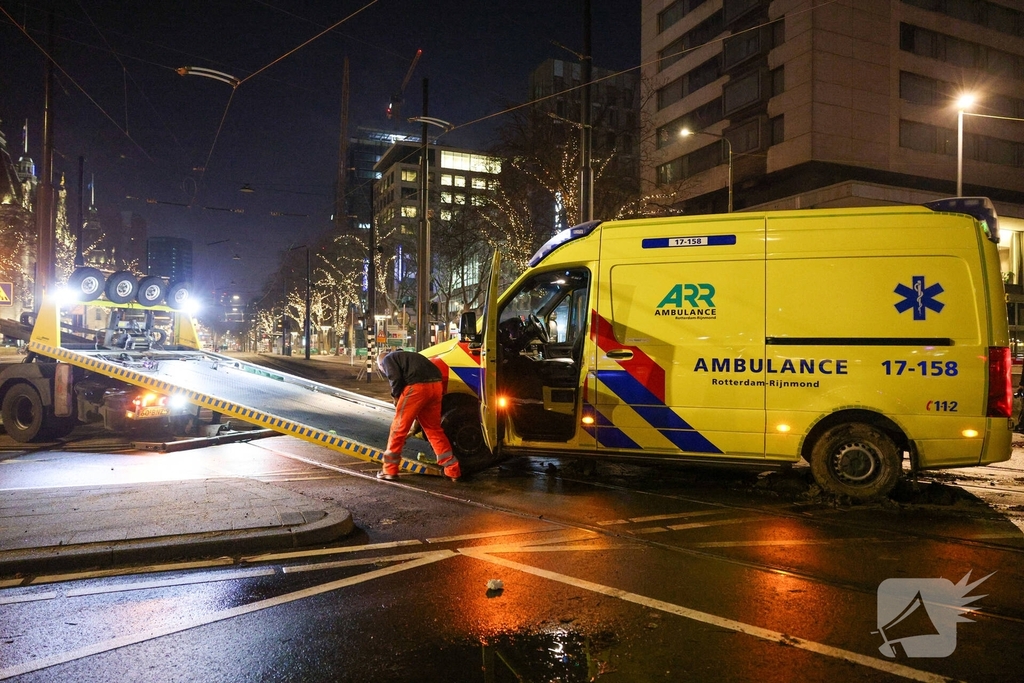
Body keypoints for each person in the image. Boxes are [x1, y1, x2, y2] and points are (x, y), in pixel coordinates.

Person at [376, 350, 461, 481]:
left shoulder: (387, 359)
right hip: (436, 387)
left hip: (417, 388)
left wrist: (396, 397)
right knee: (433, 429)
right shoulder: (407, 357)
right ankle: (452, 470)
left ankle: (389, 470)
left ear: (381, 365)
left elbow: (395, 378)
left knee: (398, 428)